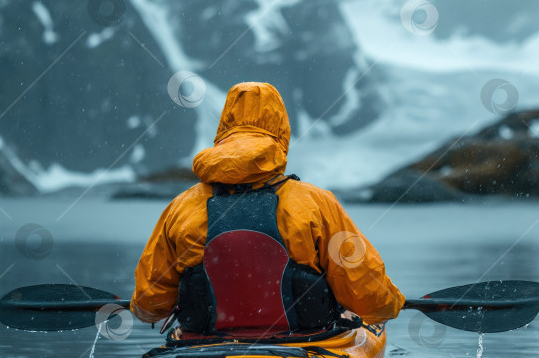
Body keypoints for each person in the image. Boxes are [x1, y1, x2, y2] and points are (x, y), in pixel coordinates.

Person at [130, 82, 404, 338]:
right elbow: (370, 298)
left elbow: (150, 305)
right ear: (282, 132)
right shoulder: (315, 203)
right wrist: (391, 304)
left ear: (223, 128)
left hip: (200, 345)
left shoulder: (181, 207)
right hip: (303, 343)